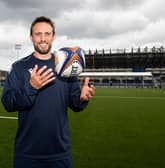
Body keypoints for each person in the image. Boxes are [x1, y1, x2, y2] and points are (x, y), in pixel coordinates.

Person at [1, 16, 95, 168]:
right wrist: (31, 87)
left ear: (53, 36)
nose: (43, 38)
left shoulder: (66, 66)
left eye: (47, 34)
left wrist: (83, 98)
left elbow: (75, 104)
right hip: (27, 153)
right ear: (31, 37)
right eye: (38, 34)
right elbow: (8, 103)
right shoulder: (19, 67)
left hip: (59, 153)